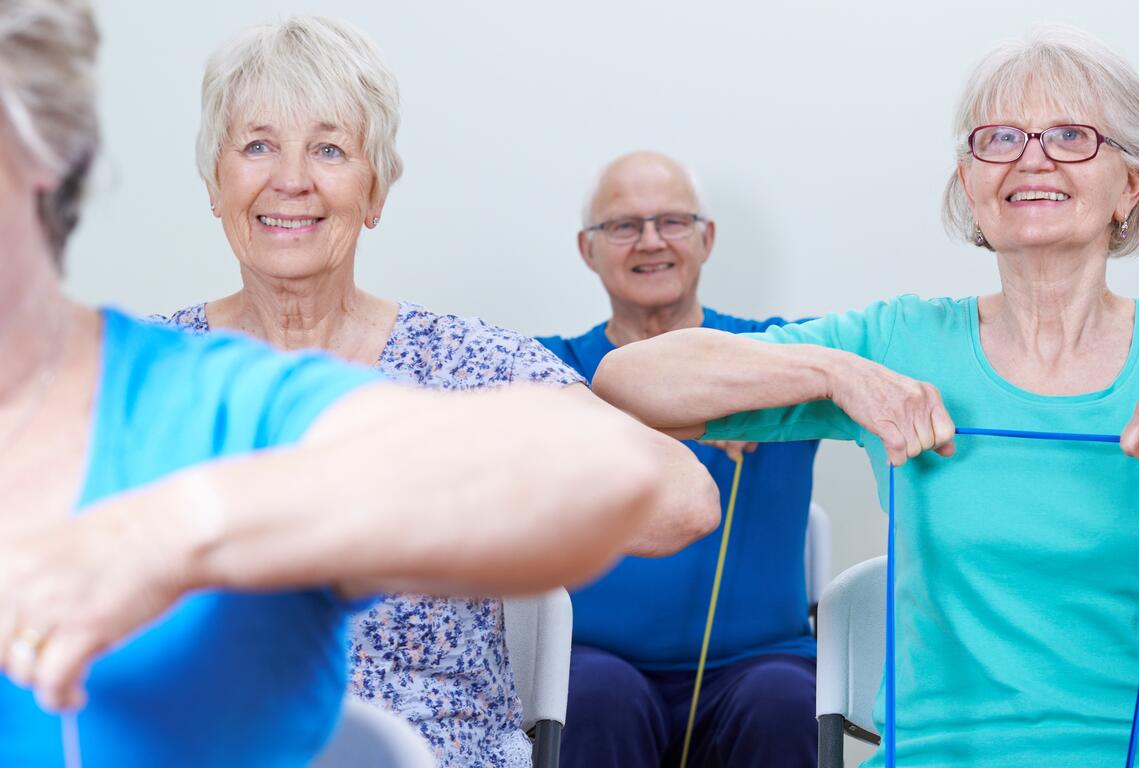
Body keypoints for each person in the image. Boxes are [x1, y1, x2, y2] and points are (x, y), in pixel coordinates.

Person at [587, 26, 1139, 766]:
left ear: (1130, 187)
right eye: (999, 139)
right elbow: (631, 382)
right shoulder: (897, 343)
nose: (1032, 159)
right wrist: (834, 374)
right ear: (970, 185)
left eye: (1071, 135)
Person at [0, 2, 718, 766]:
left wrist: (203, 524)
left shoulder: (461, 362)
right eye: (258, 145)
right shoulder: (148, 371)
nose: (292, 180)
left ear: (375, 192)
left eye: (330, 150)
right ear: (215, 182)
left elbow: (672, 496)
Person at [540, 151, 818, 768]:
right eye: (624, 225)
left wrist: (749, 390)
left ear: (706, 238)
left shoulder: (776, 351)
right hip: (596, 663)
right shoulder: (549, 365)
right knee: (594, 698)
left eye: (671, 222)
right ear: (588, 249)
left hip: (759, 664)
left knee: (781, 701)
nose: (650, 242)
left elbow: (860, 371)